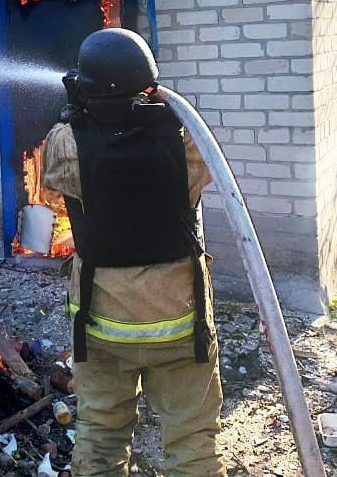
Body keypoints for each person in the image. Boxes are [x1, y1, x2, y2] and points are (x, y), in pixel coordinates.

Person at [42, 28, 226, 477]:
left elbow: (51, 193)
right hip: (181, 324)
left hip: (102, 324)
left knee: (101, 438)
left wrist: (81, 117)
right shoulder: (185, 137)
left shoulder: (66, 142)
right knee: (193, 444)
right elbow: (192, 183)